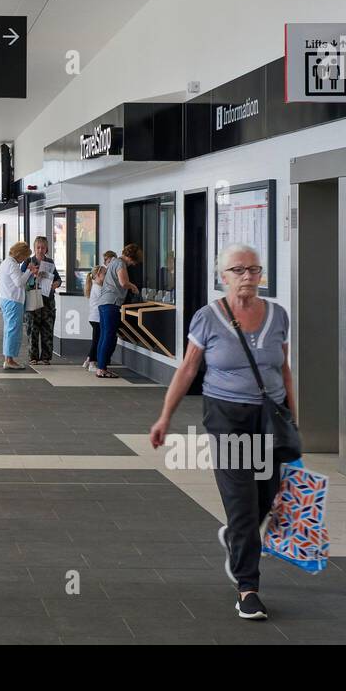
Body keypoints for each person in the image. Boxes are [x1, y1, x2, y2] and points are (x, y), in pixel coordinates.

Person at [147, 243, 294, 622]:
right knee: (242, 501)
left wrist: (294, 415)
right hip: (226, 416)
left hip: (269, 417)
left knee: (266, 493)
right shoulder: (208, 317)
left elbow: (284, 368)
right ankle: (248, 588)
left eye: (254, 269)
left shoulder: (278, 315)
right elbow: (188, 369)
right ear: (223, 276)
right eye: (238, 270)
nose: (247, 276)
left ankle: (235, 538)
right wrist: (166, 417)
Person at [95, 244, 140, 378]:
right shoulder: (120, 264)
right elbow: (123, 282)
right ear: (131, 258)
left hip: (103, 302)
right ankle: (102, 369)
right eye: (134, 261)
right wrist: (133, 287)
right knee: (109, 335)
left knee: (103, 335)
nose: (133, 264)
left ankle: (100, 366)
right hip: (112, 303)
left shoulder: (113, 262)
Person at [25, 236, 61, 365]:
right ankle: (33, 357)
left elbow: (58, 279)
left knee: (47, 329)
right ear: (34, 248)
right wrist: (33, 276)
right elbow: (21, 281)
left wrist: (55, 284)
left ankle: (46, 357)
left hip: (47, 301)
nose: (40, 250)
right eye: (38, 247)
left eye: (43, 247)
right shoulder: (28, 262)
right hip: (33, 299)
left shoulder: (50, 262)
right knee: (32, 329)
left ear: (46, 249)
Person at [0, 241, 34, 370]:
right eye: (24, 256)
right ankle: (10, 360)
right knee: (13, 330)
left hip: (7, 299)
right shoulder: (12, 265)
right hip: (13, 301)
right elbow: (19, 283)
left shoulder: (6, 262)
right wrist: (29, 271)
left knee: (9, 329)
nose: (24, 259)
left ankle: (8, 357)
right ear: (19, 254)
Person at [83, 264, 108, 369]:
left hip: (94, 318)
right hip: (97, 318)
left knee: (96, 340)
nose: (107, 276)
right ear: (98, 275)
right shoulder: (98, 288)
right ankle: (92, 363)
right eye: (105, 274)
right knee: (97, 341)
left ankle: (88, 360)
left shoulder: (96, 286)